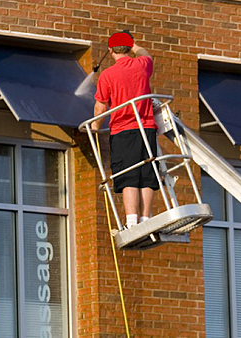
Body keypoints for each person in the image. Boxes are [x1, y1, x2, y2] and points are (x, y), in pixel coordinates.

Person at [91, 32, 158, 229]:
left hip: (123, 130)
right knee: (147, 174)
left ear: (110, 50)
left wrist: (95, 127)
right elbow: (146, 53)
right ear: (128, 48)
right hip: (146, 128)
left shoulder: (108, 75)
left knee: (129, 175)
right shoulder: (143, 65)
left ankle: (131, 221)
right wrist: (133, 44)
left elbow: (100, 107)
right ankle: (146, 218)